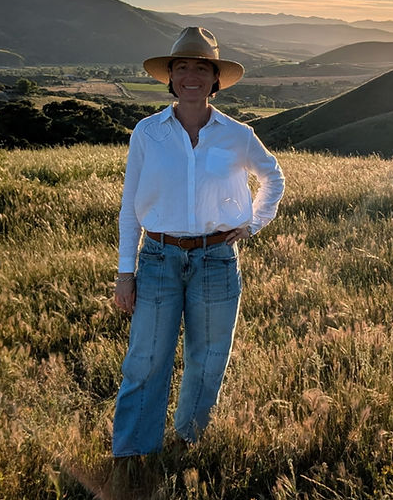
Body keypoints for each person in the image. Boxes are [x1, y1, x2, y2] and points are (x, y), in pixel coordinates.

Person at [111, 26, 284, 456]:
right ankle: (133, 454)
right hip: (157, 258)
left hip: (217, 259)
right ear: (170, 77)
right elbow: (130, 206)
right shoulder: (147, 132)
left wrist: (253, 223)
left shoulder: (238, 134)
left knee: (208, 360)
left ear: (215, 79)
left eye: (202, 68)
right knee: (146, 360)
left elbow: (273, 176)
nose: (192, 76)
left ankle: (188, 442)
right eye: (183, 67)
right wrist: (124, 273)